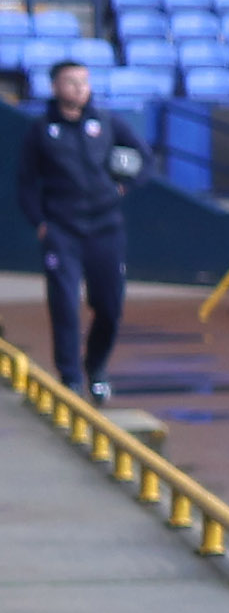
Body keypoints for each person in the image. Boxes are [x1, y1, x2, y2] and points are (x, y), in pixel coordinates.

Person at [17, 59, 137, 402]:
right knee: (65, 305)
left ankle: (96, 368)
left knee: (110, 307)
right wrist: (40, 223)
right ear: (55, 87)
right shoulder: (41, 131)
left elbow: (142, 157)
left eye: (84, 82)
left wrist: (124, 184)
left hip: (106, 229)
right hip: (62, 230)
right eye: (71, 82)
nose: (79, 88)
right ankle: (69, 377)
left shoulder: (108, 123)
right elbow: (25, 183)